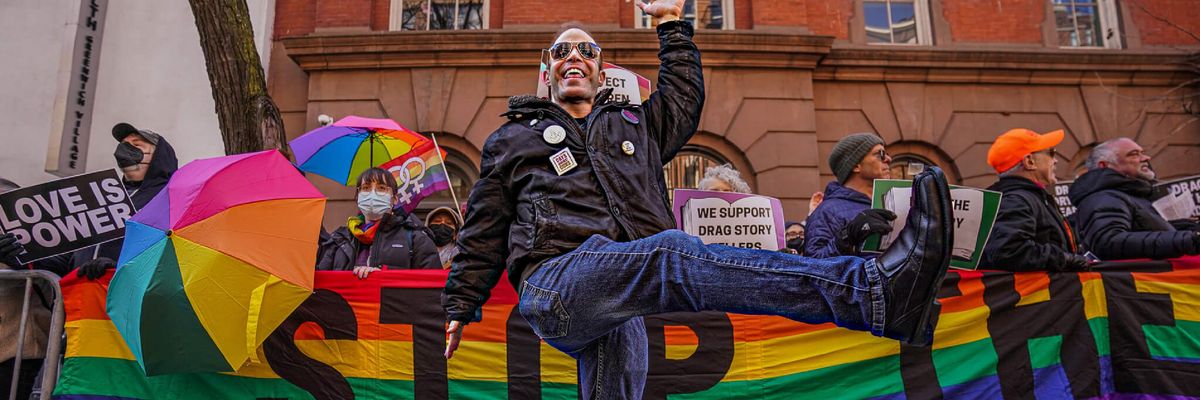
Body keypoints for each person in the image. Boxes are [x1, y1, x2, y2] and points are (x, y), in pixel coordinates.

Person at [441, 2, 955, 397]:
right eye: (562, 52)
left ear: (600, 72)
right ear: (548, 71)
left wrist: (671, 25)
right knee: (669, 255)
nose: (573, 57)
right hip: (556, 283)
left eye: (586, 52)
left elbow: (683, 98)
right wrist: (461, 304)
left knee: (616, 385)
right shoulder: (514, 138)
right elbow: (484, 228)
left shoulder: (636, 126)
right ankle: (871, 292)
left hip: (620, 290)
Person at [29, 123, 180, 279]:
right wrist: (24, 257)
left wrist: (118, 267)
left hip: (127, 289)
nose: (125, 149)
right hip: (83, 290)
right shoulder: (101, 198)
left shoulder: (171, 200)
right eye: (124, 145)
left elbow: (170, 256)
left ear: (159, 156)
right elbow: (68, 257)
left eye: (136, 145)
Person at [1068, 137, 1200, 260]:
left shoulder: (1125, 195)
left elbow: (1142, 230)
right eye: (1134, 154)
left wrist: (1188, 228)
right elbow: (1108, 242)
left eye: (1142, 153)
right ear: (1104, 165)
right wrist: (1189, 239)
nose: (1146, 158)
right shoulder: (1103, 197)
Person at [979, 128, 1089, 271]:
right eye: (1051, 153)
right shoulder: (1016, 200)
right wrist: (1064, 259)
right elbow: (1009, 252)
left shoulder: (1028, 197)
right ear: (1029, 161)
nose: (1055, 160)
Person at [317, 168, 441, 277]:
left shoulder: (416, 239)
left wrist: (383, 277)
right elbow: (321, 286)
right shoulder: (339, 240)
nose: (373, 194)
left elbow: (431, 287)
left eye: (381, 188)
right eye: (366, 188)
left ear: (395, 199)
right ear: (358, 197)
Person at [805, 133, 898, 258]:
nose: (888, 159)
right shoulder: (828, 211)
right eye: (880, 154)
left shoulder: (892, 202)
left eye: (887, 154)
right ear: (856, 166)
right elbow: (814, 262)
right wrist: (847, 236)